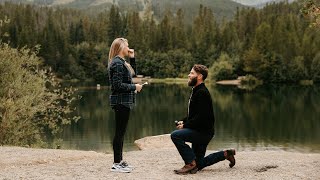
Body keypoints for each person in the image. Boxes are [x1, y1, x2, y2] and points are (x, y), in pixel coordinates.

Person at [171, 64, 236, 175]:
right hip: (200, 131)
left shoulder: (202, 93)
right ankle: (226, 154)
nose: (189, 75)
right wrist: (184, 121)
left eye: (191, 73)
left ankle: (189, 163)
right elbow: (195, 114)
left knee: (175, 135)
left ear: (199, 76)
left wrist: (185, 126)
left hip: (202, 133)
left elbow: (201, 117)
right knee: (199, 164)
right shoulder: (196, 90)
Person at [108, 38, 143, 173]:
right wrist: (135, 87)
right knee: (119, 133)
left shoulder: (122, 62)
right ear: (121, 47)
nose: (129, 48)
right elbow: (116, 85)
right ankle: (116, 163)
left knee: (121, 133)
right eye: (127, 45)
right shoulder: (117, 63)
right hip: (121, 102)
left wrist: (132, 58)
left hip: (124, 102)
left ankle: (120, 161)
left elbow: (133, 73)